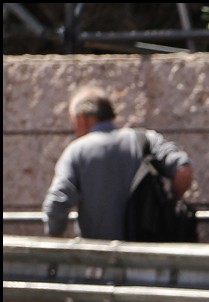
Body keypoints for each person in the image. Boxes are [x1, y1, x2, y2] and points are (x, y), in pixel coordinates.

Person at [42, 86, 193, 240]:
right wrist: (172, 201)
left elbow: (57, 202)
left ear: (82, 118)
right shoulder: (146, 139)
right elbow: (183, 172)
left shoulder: (76, 151)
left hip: (100, 256)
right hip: (147, 255)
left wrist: (56, 244)